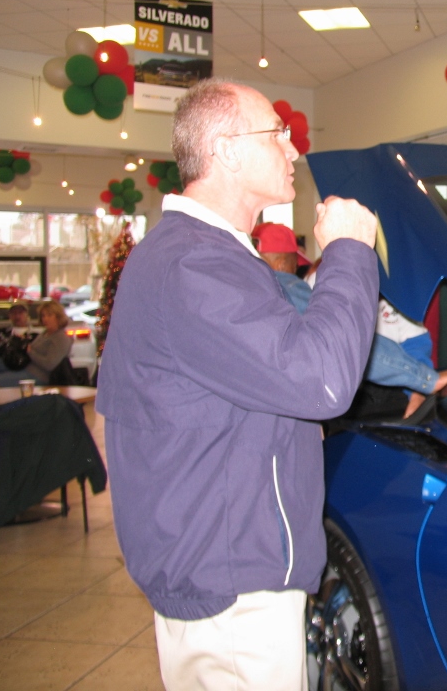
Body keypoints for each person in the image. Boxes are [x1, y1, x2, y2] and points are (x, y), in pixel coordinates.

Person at [97, 78, 379, 691]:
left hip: (220, 561)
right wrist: (350, 254)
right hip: (231, 588)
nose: (292, 148)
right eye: (275, 133)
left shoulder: (201, 257)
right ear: (225, 149)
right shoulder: (194, 265)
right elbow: (323, 381)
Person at [253, 222, 447, 418]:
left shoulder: (255, 288)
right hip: (359, 388)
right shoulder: (301, 284)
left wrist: (418, 388)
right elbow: (349, 343)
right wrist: (423, 381)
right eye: (294, 263)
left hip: (348, 387)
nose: (297, 270)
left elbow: (413, 340)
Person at [0, 303, 37, 380]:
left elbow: (30, 353)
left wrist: (6, 345)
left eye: (20, 313)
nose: (17, 316)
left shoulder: (35, 335)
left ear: (27, 315)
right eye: (14, 313)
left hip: (24, 365)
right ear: (10, 316)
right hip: (3, 362)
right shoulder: (1, 332)